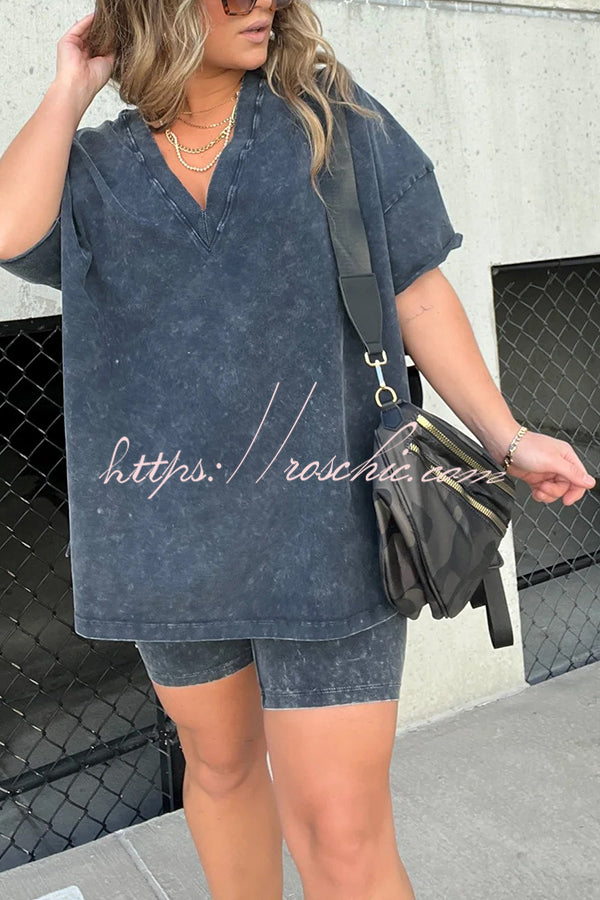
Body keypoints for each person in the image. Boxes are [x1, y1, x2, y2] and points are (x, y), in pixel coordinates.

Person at [0, 2, 595, 897]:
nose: (264, 3)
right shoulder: (94, 166)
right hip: (163, 536)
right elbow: (9, 232)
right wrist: (70, 86)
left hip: (329, 526)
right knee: (221, 769)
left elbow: (415, 288)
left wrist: (505, 437)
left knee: (341, 827)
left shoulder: (331, 121)